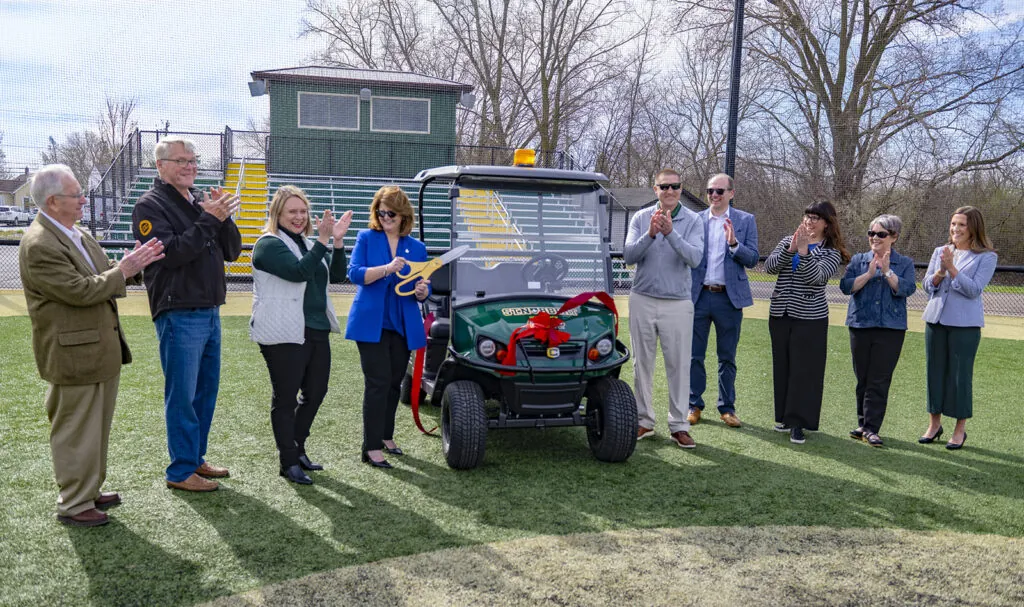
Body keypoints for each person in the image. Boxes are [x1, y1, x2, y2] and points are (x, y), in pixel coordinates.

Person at [20, 164, 165, 526]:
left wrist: (131, 265)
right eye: (77, 195)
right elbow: (79, 291)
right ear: (53, 202)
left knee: (95, 428)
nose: (85, 199)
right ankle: (73, 503)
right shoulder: (39, 244)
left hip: (98, 348)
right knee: (75, 432)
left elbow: (102, 273)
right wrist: (124, 270)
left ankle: (89, 490)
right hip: (72, 353)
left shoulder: (77, 233)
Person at [132, 136, 242, 491]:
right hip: (179, 312)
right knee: (182, 395)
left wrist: (222, 217)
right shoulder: (149, 206)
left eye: (193, 160)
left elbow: (233, 252)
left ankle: (195, 459)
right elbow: (174, 253)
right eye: (181, 160)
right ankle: (180, 471)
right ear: (160, 166)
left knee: (205, 392)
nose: (190, 166)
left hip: (209, 311)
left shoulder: (199, 202)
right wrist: (210, 219)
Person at [251, 186, 352, 484]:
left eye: (302, 211)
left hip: (316, 328)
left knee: (316, 392)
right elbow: (298, 272)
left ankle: (297, 448)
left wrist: (336, 241)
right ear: (278, 214)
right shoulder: (268, 244)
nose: (299, 217)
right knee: (286, 398)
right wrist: (322, 240)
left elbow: (335, 277)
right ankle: (288, 460)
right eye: (292, 211)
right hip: (284, 331)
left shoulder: (309, 243)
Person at [345, 186, 430, 468]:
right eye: (380, 213)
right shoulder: (367, 238)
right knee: (378, 382)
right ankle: (370, 447)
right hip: (371, 323)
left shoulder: (417, 247)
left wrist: (421, 292)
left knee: (395, 382)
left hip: (402, 323)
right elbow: (354, 273)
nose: (385, 218)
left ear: (403, 214)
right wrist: (387, 268)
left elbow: (422, 288)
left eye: (390, 213)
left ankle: (386, 435)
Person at [623, 169, 704, 448]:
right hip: (642, 298)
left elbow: (694, 258)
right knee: (641, 364)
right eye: (664, 187)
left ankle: (679, 426)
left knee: (679, 366)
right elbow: (629, 256)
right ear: (654, 189)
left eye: (675, 186)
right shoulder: (640, 217)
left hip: (678, 303)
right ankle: (644, 421)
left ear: (681, 189)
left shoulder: (693, 220)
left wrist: (670, 234)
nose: (669, 191)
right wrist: (650, 234)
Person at [765, 200, 849, 445]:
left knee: (804, 372)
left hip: (810, 319)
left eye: (816, 217)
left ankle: (799, 423)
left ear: (827, 223)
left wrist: (804, 254)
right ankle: (782, 417)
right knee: (783, 367)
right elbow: (770, 268)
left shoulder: (831, 251)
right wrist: (790, 249)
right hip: (781, 314)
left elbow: (817, 278)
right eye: (807, 216)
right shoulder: (786, 240)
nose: (809, 221)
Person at [919, 206, 997, 450]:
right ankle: (934, 425)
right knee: (934, 373)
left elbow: (974, 290)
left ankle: (959, 430)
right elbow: (926, 286)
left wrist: (952, 269)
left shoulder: (987, 256)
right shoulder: (940, 251)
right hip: (935, 322)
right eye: (953, 224)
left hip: (965, 327)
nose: (955, 229)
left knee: (959, 377)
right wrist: (940, 273)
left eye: (961, 224)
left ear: (973, 227)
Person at [687, 173, 759, 428]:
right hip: (698, 297)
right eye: (710, 191)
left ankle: (726, 408)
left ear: (732, 193)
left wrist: (735, 244)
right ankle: (693, 405)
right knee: (694, 355)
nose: (714, 196)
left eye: (719, 191)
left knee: (726, 357)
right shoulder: (695, 220)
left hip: (728, 299)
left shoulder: (745, 220)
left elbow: (752, 259)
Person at [839, 215, 916, 447]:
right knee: (862, 378)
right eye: (871, 233)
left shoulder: (905, 263)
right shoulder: (858, 260)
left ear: (893, 237)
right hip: (860, 325)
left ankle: (872, 428)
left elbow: (907, 288)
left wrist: (887, 272)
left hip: (890, 329)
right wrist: (869, 273)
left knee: (879, 379)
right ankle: (863, 424)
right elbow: (846, 287)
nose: (874, 238)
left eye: (881, 234)